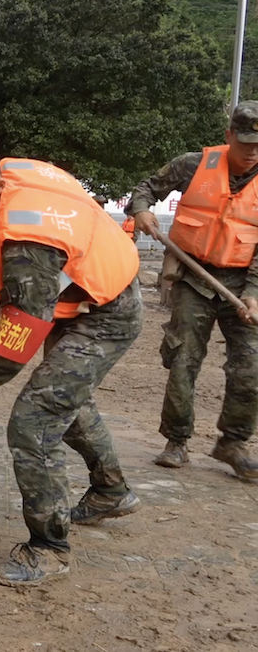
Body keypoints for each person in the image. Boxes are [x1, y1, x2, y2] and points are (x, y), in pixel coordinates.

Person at [0, 128, 142, 586]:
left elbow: (19, 331)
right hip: (81, 291)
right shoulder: (9, 179)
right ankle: (112, 490)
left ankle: (49, 548)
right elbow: (21, 309)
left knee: (34, 420)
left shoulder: (27, 241)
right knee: (67, 400)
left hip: (106, 312)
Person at [128, 100, 258, 479]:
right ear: (228, 135)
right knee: (183, 358)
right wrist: (142, 209)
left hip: (242, 281)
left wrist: (253, 292)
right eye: (245, 142)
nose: (251, 152)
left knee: (250, 368)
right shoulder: (193, 164)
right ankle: (177, 441)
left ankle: (232, 442)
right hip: (194, 276)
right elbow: (146, 189)